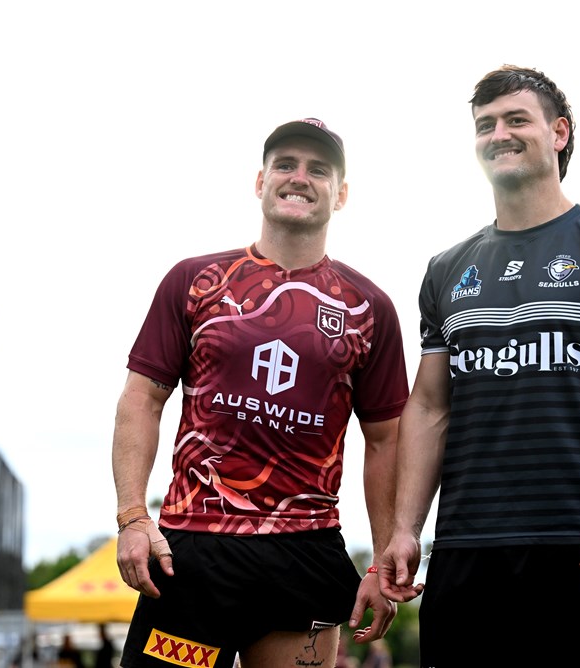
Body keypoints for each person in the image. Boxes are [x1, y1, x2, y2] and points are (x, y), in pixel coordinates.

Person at [378, 65, 580, 666]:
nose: (499, 134)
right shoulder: (446, 268)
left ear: (559, 133)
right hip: (465, 552)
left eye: (516, 119)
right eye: (485, 124)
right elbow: (430, 407)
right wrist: (405, 529)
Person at [112, 117, 409, 668]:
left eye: (318, 170)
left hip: (304, 547)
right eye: (285, 165)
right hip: (195, 549)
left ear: (341, 194)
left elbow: (387, 440)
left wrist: (381, 561)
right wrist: (133, 516)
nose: (299, 177)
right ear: (260, 181)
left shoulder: (368, 307)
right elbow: (141, 401)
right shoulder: (195, 280)